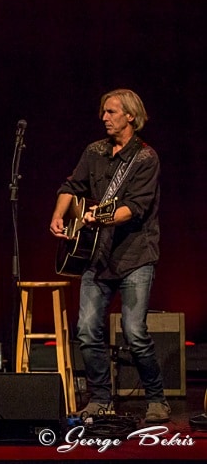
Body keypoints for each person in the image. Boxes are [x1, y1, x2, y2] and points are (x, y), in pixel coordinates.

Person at [49, 88, 169, 423]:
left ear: (130, 115)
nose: (104, 117)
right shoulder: (95, 151)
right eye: (103, 112)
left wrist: (97, 218)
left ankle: (157, 400)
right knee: (87, 331)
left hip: (135, 257)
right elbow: (71, 186)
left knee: (134, 332)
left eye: (111, 112)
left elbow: (135, 208)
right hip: (97, 257)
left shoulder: (146, 158)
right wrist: (59, 215)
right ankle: (100, 399)